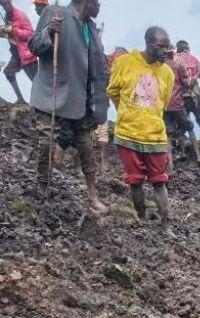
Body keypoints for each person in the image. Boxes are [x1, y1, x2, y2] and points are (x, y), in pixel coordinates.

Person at [29, 0, 108, 213]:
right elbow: (34, 46)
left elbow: (97, 66)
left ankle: (92, 196)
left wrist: (99, 101)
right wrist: (48, 32)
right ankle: (42, 189)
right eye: (97, 1)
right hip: (51, 93)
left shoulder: (90, 28)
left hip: (79, 99)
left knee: (86, 148)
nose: (100, 5)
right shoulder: (55, 13)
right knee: (46, 143)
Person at [107, 27, 175, 236]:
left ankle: (166, 225)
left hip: (155, 136)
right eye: (160, 47)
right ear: (148, 43)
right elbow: (114, 92)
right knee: (135, 181)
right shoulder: (125, 63)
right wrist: (127, 113)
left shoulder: (167, 73)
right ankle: (142, 219)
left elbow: (163, 104)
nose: (164, 51)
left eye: (167, 47)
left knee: (159, 181)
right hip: (128, 135)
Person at [164, 48, 200, 166]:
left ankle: (170, 165)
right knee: (189, 127)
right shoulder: (177, 65)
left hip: (164, 106)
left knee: (168, 134)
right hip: (177, 104)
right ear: (171, 53)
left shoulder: (157, 67)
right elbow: (186, 83)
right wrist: (195, 78)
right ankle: (199, 156)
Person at [0, 0, 37, 104]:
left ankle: (44, 104)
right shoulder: (8, 16)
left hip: (27, 55)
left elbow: (30, 34)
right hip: (17, 55)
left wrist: (13, 30)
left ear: (10, 2)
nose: (5, 6)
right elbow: (11, 36)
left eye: (6, 4)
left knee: (36, 82)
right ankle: (20, 99)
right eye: (3, 5)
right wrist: (3, 32)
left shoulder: (20, 15)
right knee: (8, 72)